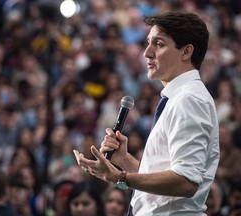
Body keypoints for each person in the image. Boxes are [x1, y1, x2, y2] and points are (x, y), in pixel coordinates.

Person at [73, 11, 220, 215]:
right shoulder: (181, 97)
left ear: (186, 52)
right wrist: (124, 160)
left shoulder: (189, 100)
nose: (147, 52)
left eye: (159, 44)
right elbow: (165, 185)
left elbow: (186, 182)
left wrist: (120, 177)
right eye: (148, 42)